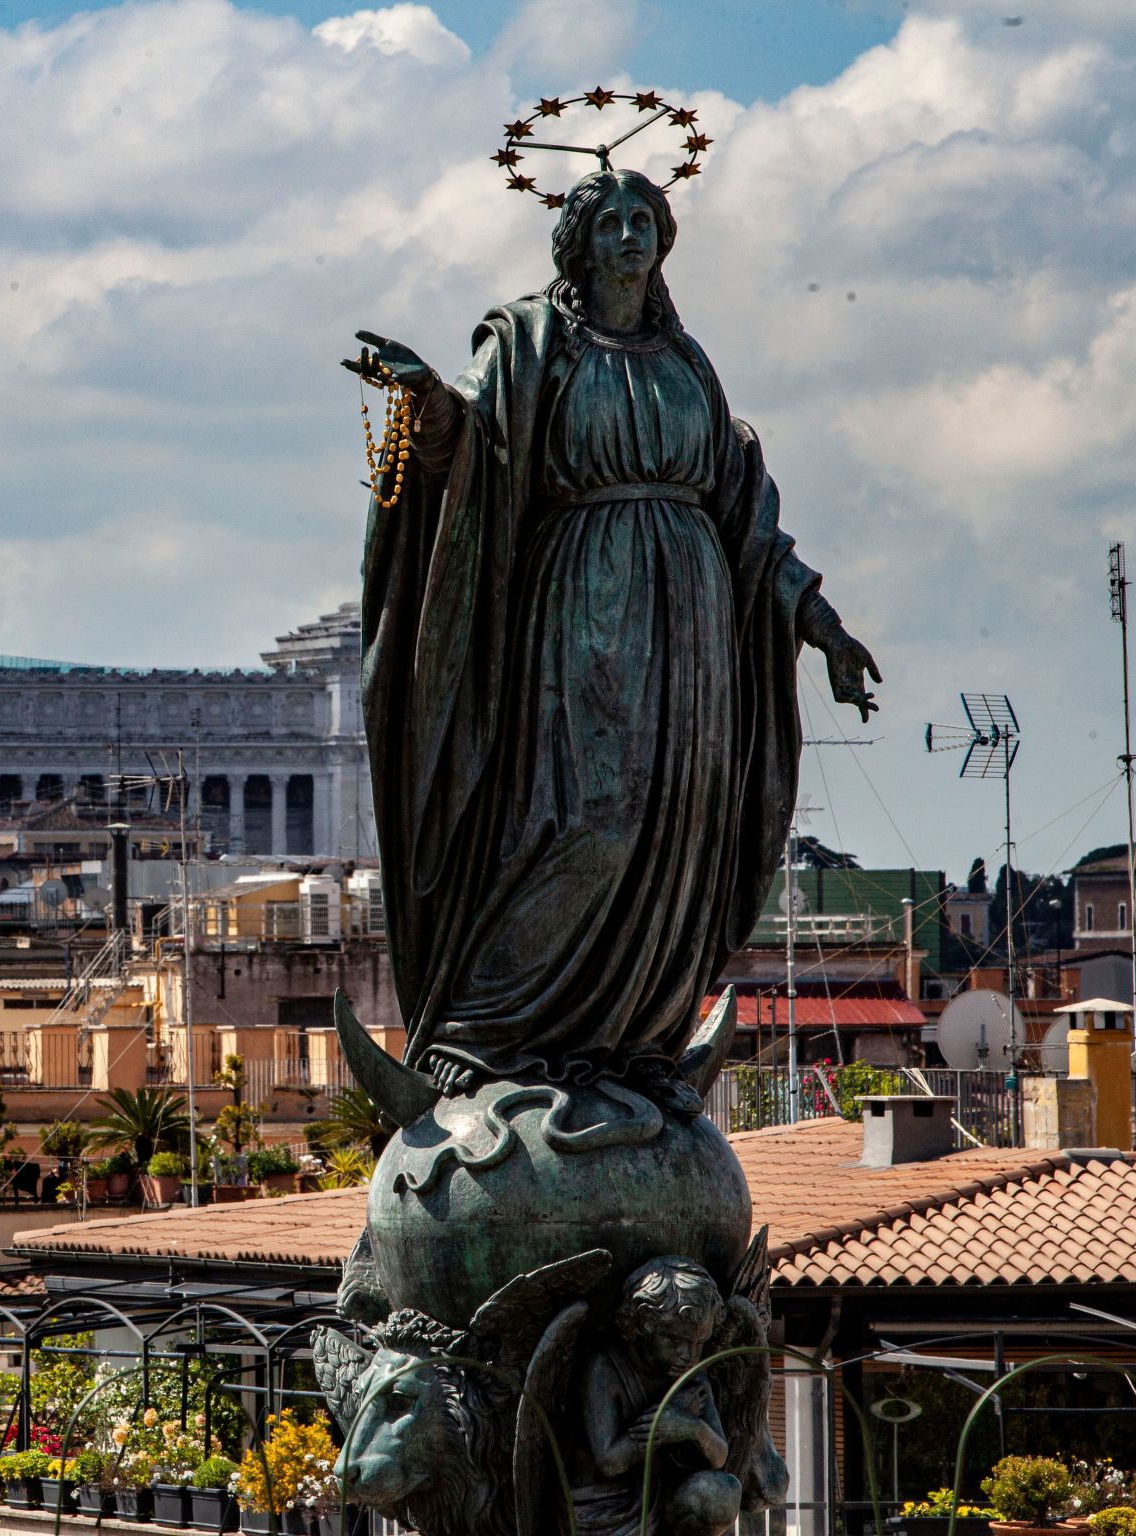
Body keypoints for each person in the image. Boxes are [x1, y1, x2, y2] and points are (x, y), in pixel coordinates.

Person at [348, 168, 880, 1100]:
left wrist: (823, 628)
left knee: (681, 825)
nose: (631, 235)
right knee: (589, 818)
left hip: (695, 632)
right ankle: (484, 1028)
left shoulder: (688, 364)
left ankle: (632, 1041)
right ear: (580, 246)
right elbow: (470, 446)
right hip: (582, 615)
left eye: (644, 219)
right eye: (610, 223)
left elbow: (748, 521)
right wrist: (425, 399)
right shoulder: (534, 344)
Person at [569, 1256, 739, 1536]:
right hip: (606, 1501)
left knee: (722, 1492)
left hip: (664, 1490)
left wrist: (691, 1427)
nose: (688, 1355)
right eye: (674, 1340)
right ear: (643, 1326)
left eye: (698, 1343)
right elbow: (610, 1461)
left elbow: (720, 1456)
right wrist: (663, 1421)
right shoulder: (603, 1368)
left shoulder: (693, 1374)